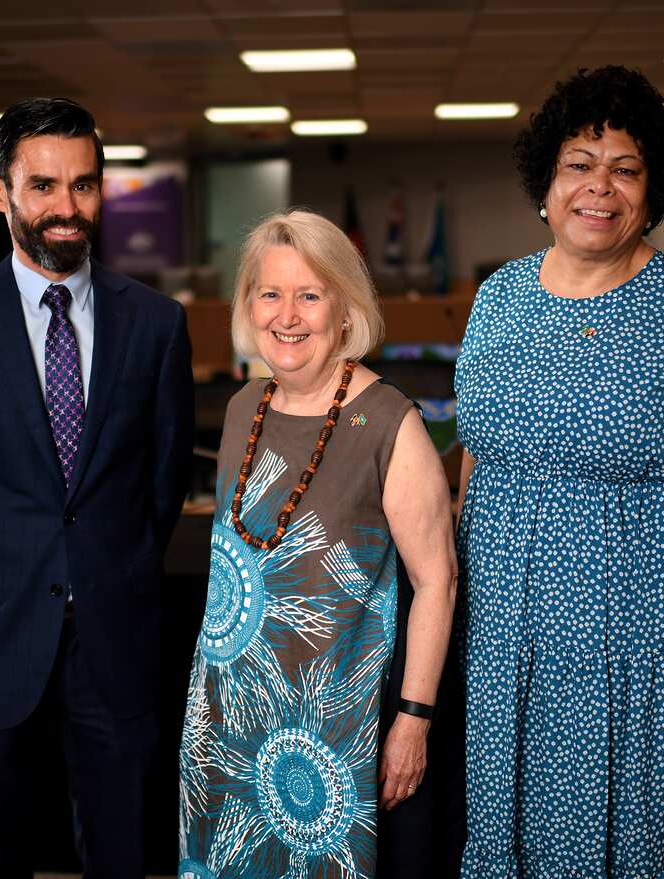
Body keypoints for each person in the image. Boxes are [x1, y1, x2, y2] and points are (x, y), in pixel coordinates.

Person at [455, 66, 664, 876]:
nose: (598, 187)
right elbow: (478, 456)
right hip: (508, 653)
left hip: (643, 661)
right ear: (547, 179)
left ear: (653, 190)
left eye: (624, 168)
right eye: (579, 163)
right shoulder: (497, 298)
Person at [0, 97, 194, 878]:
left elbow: (160, 489)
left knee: (123, 852)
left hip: (115, 640)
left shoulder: (157, 325)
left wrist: (108, 569)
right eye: (45, 186)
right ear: (0, 192)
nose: (67, 208)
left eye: (85, 186)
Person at [177, 210, 457, 879]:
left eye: (310, 294)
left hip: (328, 743)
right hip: (224, 719)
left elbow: (437, 582)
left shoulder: (388, 420)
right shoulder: (246, 404)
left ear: (345, 307)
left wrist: (413, 721)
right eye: (270, 293)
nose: (287, 315)